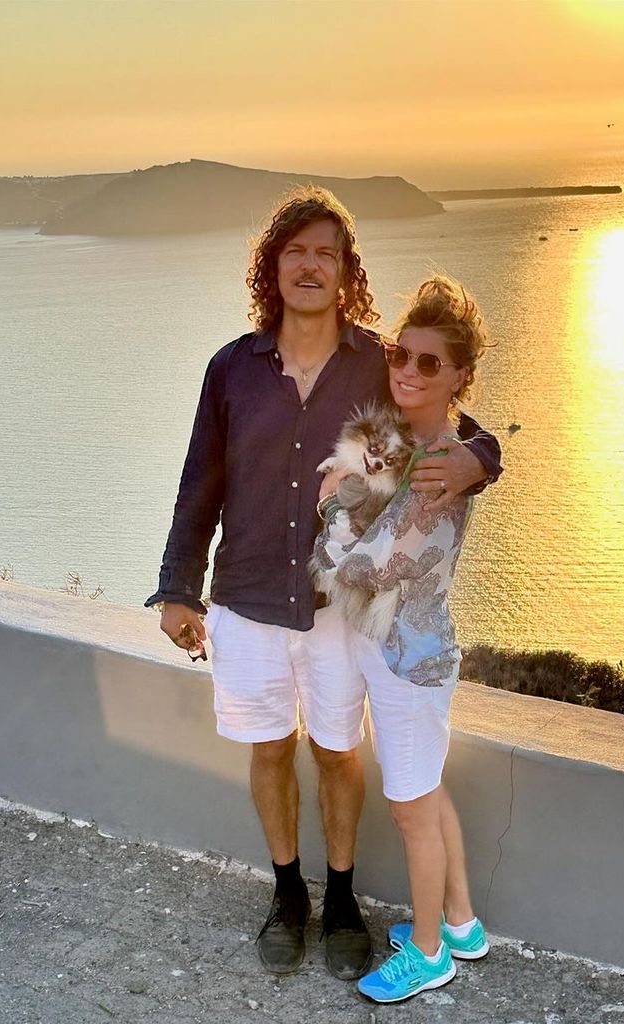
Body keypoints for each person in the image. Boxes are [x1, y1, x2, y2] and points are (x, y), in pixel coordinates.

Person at [145, 186, 502, 981]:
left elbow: (444, 409)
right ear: (273, 266)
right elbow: (198, 484)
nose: (310, 265)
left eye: (327, 253)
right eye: (295, 250)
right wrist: (178, 588)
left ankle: (340, 895)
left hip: (339, 611)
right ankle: (287, 894)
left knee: (340, 753)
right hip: (245, 596)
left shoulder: (378, 360)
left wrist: (483, 458)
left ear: (347, 273)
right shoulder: (231, 369)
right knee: (270, 749)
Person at [313, 276, 491, 1003]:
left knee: (411, 805)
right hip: (388, 649)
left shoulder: (446, 467)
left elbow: (372, 563)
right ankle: (460, 924)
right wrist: (339, 509)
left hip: (408, 664)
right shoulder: (393, 438)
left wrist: (333, 529)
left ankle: (426, 953)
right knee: (426, 788)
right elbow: (339, 484)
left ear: (458, 377)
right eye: (401, 356)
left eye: (428, 363)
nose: (409, 372)